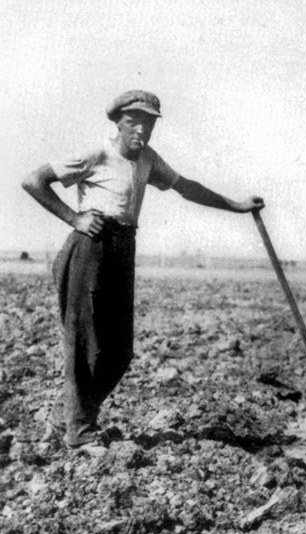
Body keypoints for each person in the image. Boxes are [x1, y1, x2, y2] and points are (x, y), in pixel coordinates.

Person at [21, 90, 264, 449]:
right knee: (84, 344)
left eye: (148, 122)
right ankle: (79, 431)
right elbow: (34, 181)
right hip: (90, 247)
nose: (141, 130)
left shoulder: (148, 159)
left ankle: (65, 416)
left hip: (123, 248)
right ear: (118, 122)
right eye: (134, 121)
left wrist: (237, 205)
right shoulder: (96, 154)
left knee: (119, 353)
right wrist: (75, 218)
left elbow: (187, 188)